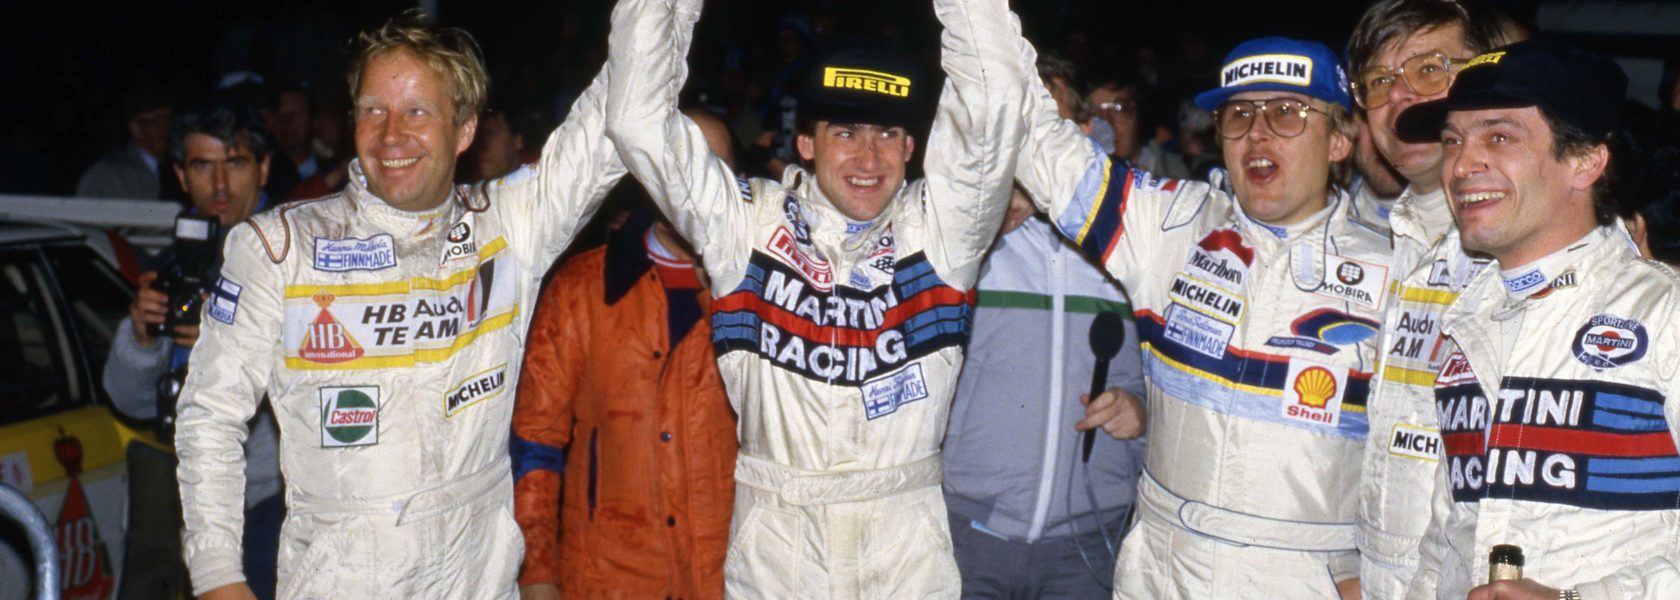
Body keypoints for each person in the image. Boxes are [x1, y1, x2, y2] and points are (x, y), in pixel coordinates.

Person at [172, 9, 626, 599]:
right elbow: (209, 416)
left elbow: (621, 106)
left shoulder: (511, 224)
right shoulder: (280, 248)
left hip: (477, 581)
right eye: (373, 111)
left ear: (464, 129)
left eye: (417, 111)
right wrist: (217, 577)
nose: (391, 135)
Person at [603, 0, 1035, 594]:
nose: (868, 158)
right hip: (778, 545)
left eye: (888, 133)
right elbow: (636, 121)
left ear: (912, 148)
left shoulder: (942, 231)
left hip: (905, 548)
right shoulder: (745, 225)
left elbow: (997, 95)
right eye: (846, 133)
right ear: (805, 143)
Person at [1014, 36, 1392, 597]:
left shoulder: (1395, 271)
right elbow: (1035, 137)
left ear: (1339, 139)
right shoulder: (1171, 223)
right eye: (1239, 115)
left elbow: (1423, 460)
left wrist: (1388, 578)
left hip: (1303, 577)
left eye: (1287, 112)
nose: (1257, 133)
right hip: (1164, 569)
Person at [1394, 38, 1680, 599]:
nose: (1461, 164)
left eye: (1499, 137)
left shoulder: (1663, 313)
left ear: (1585, 161)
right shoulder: (1467, 320)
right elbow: (1447, 544)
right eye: (1452, 140)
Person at [511, 108, 738, 600]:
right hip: (607, 578)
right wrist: (537, 573)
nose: (695, 186)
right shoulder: (582, 287)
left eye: (713, 169)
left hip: (730, 579)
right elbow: (535, 441)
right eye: (680, 164)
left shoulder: (764, 298)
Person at [1342, 1, 1526, 596]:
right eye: (1378, 82)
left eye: (1429, 69)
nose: (1401, 96)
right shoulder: (1390, 239)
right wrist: (1357, 565)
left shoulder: (1530, 236)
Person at [102, 101, 285, 599]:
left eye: (236, 162)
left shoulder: (300, 253)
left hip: (276, 499)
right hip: (194, 500)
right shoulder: (176, 265)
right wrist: (142, 337)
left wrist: (232, 342)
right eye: (203, 166)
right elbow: (130, 402)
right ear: (181, 175)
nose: (220, 185)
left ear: (264, 167)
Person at [941, 184, 1146, 599]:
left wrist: (1143, 412)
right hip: (969, 538)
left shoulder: (1139, 242)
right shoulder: (969, 234)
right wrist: (989, 211)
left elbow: (1176, 385)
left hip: (1088, 547)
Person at [78, 78, 171, 200]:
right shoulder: (105, 176)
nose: (166, 127)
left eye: (168, 119)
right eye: (156, 122)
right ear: (136, 129)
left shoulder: (181, 170)